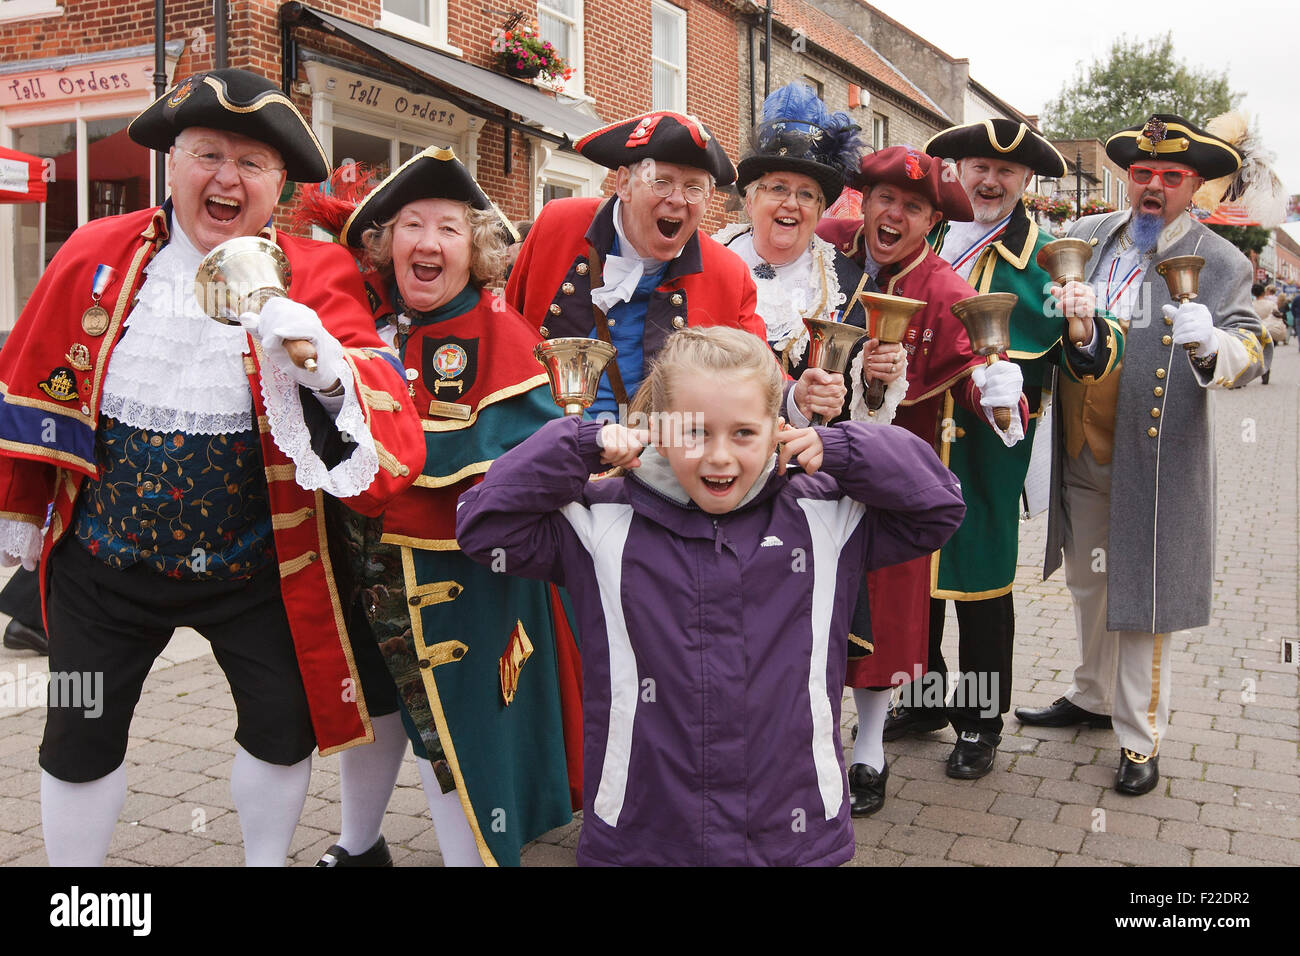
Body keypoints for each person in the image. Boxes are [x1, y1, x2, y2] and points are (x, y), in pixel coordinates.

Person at [0, 68, 424, 866]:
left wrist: (321, 364)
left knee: (280, 728)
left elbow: (376, 393)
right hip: (103, 564)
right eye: (207, 154)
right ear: (171, 164)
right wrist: (17, 511)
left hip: (256, 565)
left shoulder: (317, 270)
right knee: (77, 730)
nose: (226, 178)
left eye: (252, 163)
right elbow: (32, 379)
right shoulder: (98, 249)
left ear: (278, 186)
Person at [455, 326, 966, 865]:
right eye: (695, 431)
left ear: (778, 431)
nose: (720, 457)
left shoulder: (823, 514)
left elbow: (938, 506)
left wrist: (844, 447)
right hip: (644, 830)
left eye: (744, 432)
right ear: (657, 429)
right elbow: (483, 526)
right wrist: (581, 444)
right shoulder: (599, 519)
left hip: (792, 829)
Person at [297, 147, 580, 867]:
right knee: (370, 709)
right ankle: (360, 845)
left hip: (456, 588)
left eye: (448, 229)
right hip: (361, 566)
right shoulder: (363, 328)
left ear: (475, 247)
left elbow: (524, 459)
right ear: (384, 245)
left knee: (450, 734)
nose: (428, 243)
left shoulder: (502, 335)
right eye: (411, 226)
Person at [1017, 114, 1270, 796]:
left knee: (1143, 596)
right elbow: (1043, 295)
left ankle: (1139, 736)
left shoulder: (1218, 260)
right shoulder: (1094, 235)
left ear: (1195, 186)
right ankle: (1093, 696)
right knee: (1089, 581)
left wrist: (1216, 343)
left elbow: (1253, 344)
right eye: (1142, 173)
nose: (1152, 187)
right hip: (1080, 440)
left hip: (1153, 454)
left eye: (1171, 177)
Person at [874, 120, 1123, 778]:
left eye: (1005, 172)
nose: (989, 180)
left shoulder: (1045, 257)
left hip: (985, 445)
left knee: (980, 583)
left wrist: (1081, 331)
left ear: (1026, 182)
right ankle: (925, 702)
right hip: (911, 431)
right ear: (957, 170)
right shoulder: (927, 237)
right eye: (978, 165)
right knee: (915, 579)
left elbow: (1079, 347)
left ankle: (980, 724)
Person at [817, 146, 1028, 816]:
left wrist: (1001, 395)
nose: (894, 215)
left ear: (933, 221)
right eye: (884, 200)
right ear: (863, 203)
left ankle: (885, 748)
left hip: (889, 475)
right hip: (802, 462)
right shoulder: (827, 253)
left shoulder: (944, 291)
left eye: (912, 207)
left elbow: (978, 379)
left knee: (890, 609)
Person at [506, 110, 846, 425]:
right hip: (547, 447)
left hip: (653, 466)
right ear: (624, 183)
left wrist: (797, 396)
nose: (678, 199)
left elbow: (758, 372)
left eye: (694, 188)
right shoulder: (558, 223)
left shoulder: (727, 273)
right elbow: (508, 324)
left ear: (709, 199)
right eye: (662, 182)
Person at [714, 83, 908, 419]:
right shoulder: (703, 260)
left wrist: (877, 374)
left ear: (821, 210)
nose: (791, 203)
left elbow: (866, 413)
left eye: (807, 195)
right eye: (777, 188)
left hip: (805, 462)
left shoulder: (852, 291)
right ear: (749, 199)